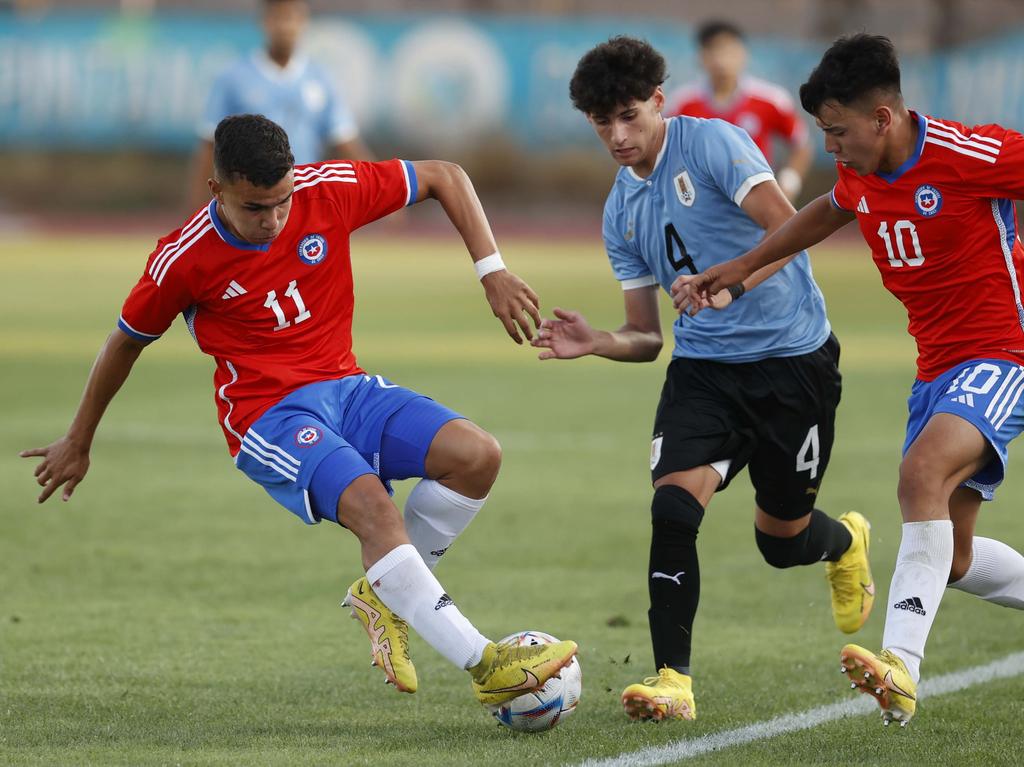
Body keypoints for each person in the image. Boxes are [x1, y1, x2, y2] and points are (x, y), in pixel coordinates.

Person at [21, 114, 577, 708]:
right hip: (268, 416)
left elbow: (446, 175)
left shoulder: (325, 189)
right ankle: (487, 664)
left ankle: (383, 594)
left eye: (282, 201)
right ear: (218, 191)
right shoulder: (182, 259)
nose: (275, 219)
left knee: (477, 456)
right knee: (372, 505)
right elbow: (125, 340)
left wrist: (491, 271)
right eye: (256, 207)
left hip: (348, 388)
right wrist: (79, 439)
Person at [681, 33, 1024, 727]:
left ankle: (900, 667)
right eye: (823, 134)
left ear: (883, 118)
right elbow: (829, 210)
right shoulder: (864, 169)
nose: (831, 147)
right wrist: (742, 268)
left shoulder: (967, 154)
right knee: (952, 560)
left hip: (1004, 352)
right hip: (936, 368)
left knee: (919, 475)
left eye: (838, 132)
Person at [531, 36, 873, 723]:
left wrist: (734, 278)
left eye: (630, 115)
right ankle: (673, 680)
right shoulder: (619, 212)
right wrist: (600, 340)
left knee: (782, 543)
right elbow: (647, 337)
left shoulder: (715, 144)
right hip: (704, 373)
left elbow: (791, 230)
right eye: (603, 123)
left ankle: (845, 542)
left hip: (792, 362)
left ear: (659, 101)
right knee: (672, 509)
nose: (618, 135)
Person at [187, 0, 374, 210]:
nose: (285, 26)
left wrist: (376, 190)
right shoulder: (233, 78)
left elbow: (344, 139)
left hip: (304, 197)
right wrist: (196, 207)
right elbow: (209, 144)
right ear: (264, 22)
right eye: (278, 18)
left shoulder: (321, 78)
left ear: (304, 22)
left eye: (291, 17)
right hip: (252, 200)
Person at [665, 20, 811, 202]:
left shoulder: (771, 99)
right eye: (713, 50)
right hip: (701, 205)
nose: (721, 59)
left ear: (743, 53)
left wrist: (788, 183)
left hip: (757, 203)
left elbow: (801, 145)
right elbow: (665, 153)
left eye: (728, 50)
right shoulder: (682, 104)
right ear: (701, 57)